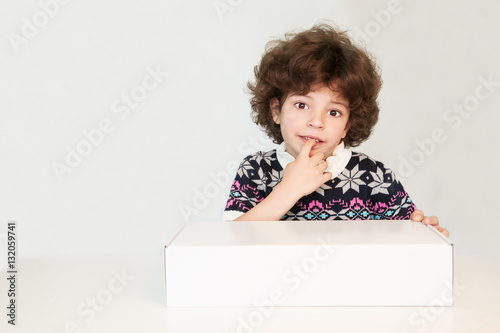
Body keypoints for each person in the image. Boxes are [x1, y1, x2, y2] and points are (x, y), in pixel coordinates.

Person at [223, 23, 449, 237]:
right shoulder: (255, 170)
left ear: (347, 125)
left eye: (333, 112)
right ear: (276, 110)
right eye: (302, 105)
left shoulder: (373, 176)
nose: (316, 122)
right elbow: (230, 242)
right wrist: (289, 189)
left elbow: (406, 244)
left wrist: (426, 235)